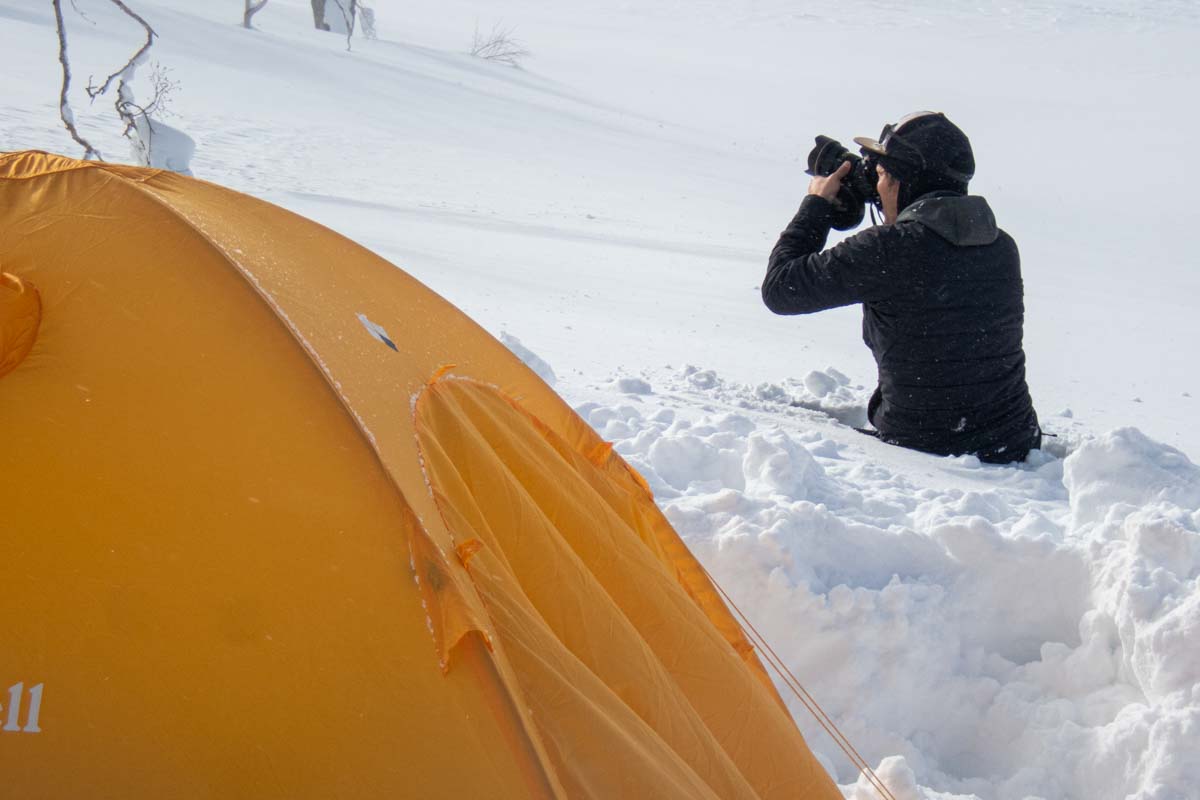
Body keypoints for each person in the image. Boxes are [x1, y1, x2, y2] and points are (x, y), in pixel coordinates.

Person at [762, 111, 1040, 463]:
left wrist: (816, 205)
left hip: (926, 445)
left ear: (903, 182)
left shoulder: (889, 248)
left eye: (881, 175)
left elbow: (780, 289)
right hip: (1014, 440)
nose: (876, 187)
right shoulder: (1001, 246)